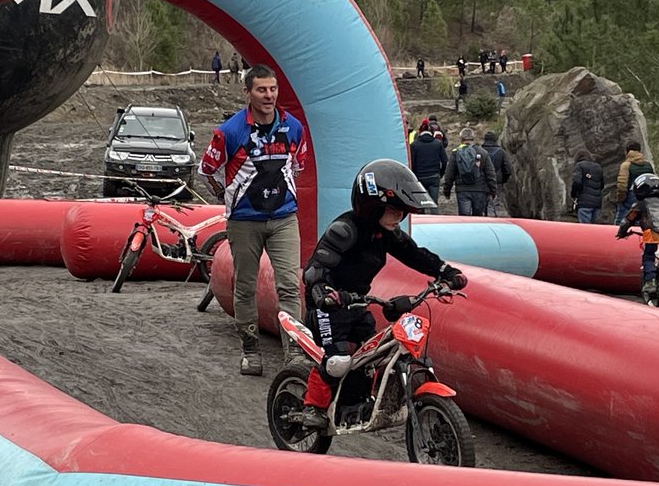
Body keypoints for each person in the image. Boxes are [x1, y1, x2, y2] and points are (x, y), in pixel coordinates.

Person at [299, 159, 468, 429]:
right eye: (393, 210)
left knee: (373, 356)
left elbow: (415, 254)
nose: (398, 217)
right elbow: (315, 269)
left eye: (402, 212)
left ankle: (355, 404)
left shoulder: (385, 233)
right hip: (328, 307)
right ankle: (313, 408)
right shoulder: (344, 230)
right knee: (338, 361)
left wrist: (445, 271)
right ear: (372, 206)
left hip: (356, 304)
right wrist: (324, 292)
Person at [198, 64, 306, 376]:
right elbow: (207, 170)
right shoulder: (230, 132)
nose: (269, 95)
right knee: (244, 287)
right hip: (244, 220)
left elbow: (298, 164)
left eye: (273, 89)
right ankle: (250, 350)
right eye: (261, 89)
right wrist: (225, 195)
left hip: (284, 217)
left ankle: (295, 354)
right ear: (248, 93)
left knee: (289, 286)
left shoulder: (293, 127)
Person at [615, 173, 659, 302]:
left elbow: (626, 221)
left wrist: (621, 233)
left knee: (648, 257)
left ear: (640, 190)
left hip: (651, 233)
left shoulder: (640, 206)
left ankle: (650, 281)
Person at [442, 127, 497, 216]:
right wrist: (493, 190)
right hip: (479, 189)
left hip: (462, 190)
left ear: (461, 138)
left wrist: (446, 191)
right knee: (478, 218)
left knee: (464, 219)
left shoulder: (456, 153)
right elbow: (490, 173)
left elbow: (449, 174)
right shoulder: (483, 152)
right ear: (473, 138)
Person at [614, 141, 654, 225]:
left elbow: (622, 186)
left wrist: (620, 199)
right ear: (640, 151)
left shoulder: (626, 165)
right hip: (645, 198)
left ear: (627, 152)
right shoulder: (648, 165)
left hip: (630, 196)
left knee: (620, 223)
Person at [409, 124, 448, 211]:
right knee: (434, 204)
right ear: (431, 132)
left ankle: (420, 222)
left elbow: (412, 163)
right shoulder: (438, 144)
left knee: (419, 204)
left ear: (419, 132)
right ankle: (435, 222)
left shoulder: (414, 145)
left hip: (419, 177)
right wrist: (440, 173)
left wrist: (414, 175)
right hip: (434, 176)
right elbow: (445, 161)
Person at [481, 131, 512, 216]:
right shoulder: (501, 152)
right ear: (495, 140)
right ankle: (494, 221)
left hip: (481, 181)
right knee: (495, 203)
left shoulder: (480, 150)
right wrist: (503, 179)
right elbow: (507, 169)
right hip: (497, 181)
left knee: (482, 203)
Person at [570, 149, 603, 223]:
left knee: (584, 229)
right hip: (597, 203)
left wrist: (574, 194)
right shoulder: (598, 167)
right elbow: (602, 185)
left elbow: (577, 182)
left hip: (584, 203)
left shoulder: (579, 166)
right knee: (594, 229)